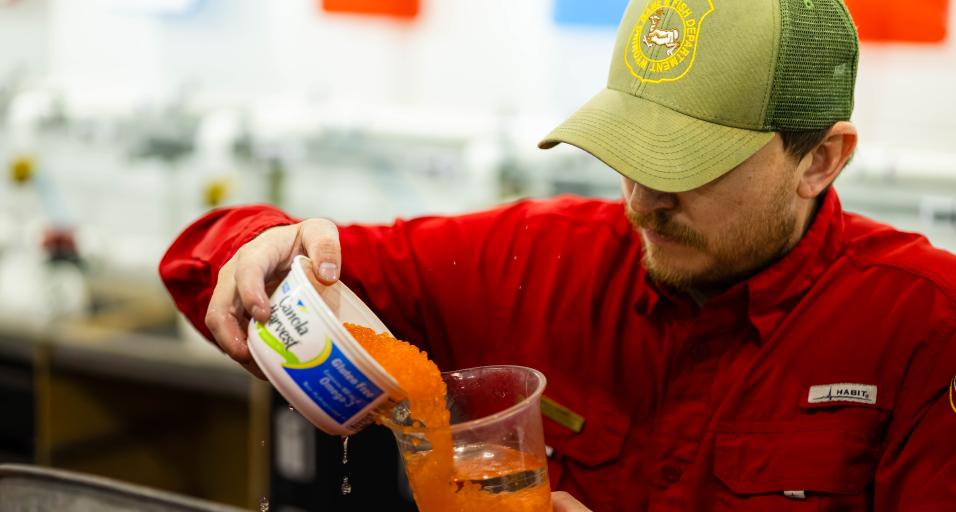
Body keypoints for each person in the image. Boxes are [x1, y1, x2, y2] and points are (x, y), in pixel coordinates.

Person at [159, 0, 956, 510]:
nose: (641, 202)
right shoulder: (538, 258)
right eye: (628, 150)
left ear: (820, 159)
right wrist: (261, 252)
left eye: (690, 166)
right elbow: (210, 265)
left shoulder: (923, 326)